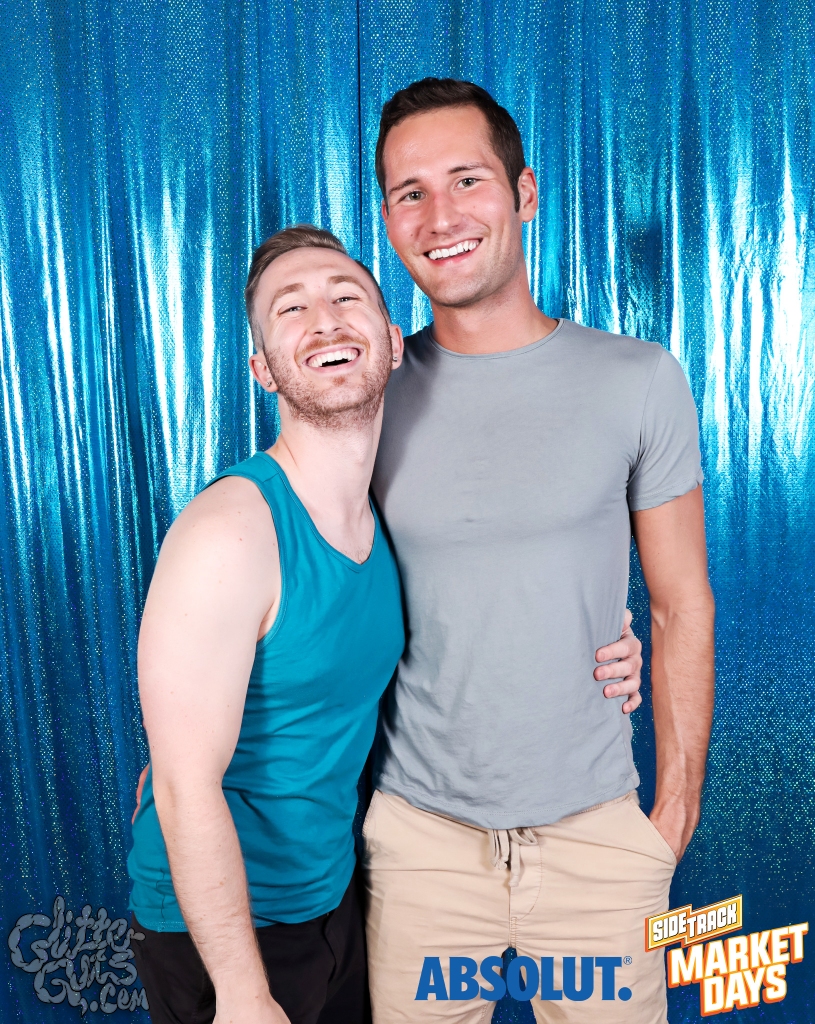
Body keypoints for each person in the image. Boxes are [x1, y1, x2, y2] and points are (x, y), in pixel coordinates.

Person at [126, 223, 645, 1024]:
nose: (324, 321)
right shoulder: (230, 532)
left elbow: (478, 611)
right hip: (226, 933)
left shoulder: (382, 515)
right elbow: (180, 783)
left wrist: (605, 643)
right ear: (263, 369)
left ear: (394, 344)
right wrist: (241, 992)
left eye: (345, 298)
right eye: (290, 309)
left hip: (334, 901)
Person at [363, 78, 715, 1024]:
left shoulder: (638, 379)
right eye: (409, 193)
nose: (440, 217)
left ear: (522, 193)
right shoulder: (365, 395)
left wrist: (671, 816)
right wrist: (199, 740)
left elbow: (680, 603)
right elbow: (295, 579)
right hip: (420, 846)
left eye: (466, 180)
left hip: (596, 841)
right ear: (388, 220)